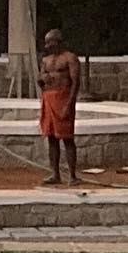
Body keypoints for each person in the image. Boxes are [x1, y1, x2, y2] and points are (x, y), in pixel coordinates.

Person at [37, 28, 82, 186]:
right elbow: (40, 80)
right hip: (49, 98)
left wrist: (70, 104)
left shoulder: (70, 58)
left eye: (50, 42)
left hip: (64, 97)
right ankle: (55, 174)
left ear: (57, 42)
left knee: (67, 138)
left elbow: (75, 82)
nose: (47, 46)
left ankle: (73, 176)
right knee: (51, 138)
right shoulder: (46, 60)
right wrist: (43, 79)